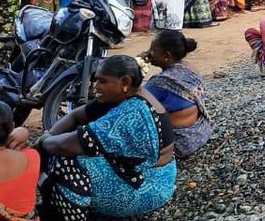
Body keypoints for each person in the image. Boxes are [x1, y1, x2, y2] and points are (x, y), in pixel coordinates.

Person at [32, 55, 176, 219]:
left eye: (102, 81)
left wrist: (40, 145)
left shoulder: (132, 114)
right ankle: (58, 203)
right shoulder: (128, 94)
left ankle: (70, 214)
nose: (96, 87)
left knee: (66, 161)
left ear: (125, 82)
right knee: (62, 146)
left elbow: (67, 145)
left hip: (150, 185)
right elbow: (75, 116)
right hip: (137, 170)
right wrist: (49, 135)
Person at [140, 30, 210, 159]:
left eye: (153, 50)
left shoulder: (161, 83)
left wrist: (137, 68)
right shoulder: (189, 67)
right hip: (199, 133)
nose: (149, 53)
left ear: (167, 55)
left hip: (179, 142)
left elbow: (134, 100)